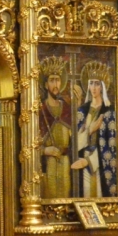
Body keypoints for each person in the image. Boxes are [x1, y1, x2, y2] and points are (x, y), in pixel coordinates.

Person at [72, 78, 118, 198]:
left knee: (99, 193)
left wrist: (89, 161)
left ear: (102, 87)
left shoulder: (109, 112)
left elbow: (111, 145)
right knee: (85, 194)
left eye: (97, 84)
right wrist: (90, 130)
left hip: (99, 161)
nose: (93, 87)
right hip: (83, 158)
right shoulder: (82, 111)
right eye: (91, 83)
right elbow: (75, 143)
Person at [39, 68, 75, 199]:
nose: (55, 84)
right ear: (46, 85)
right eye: (52, 80)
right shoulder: (41, 111)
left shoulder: (67, 109)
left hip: (65, 162)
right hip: (48, 163)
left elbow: (76, 139)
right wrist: (44, 150)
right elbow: (30, 143)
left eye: (58, 80)